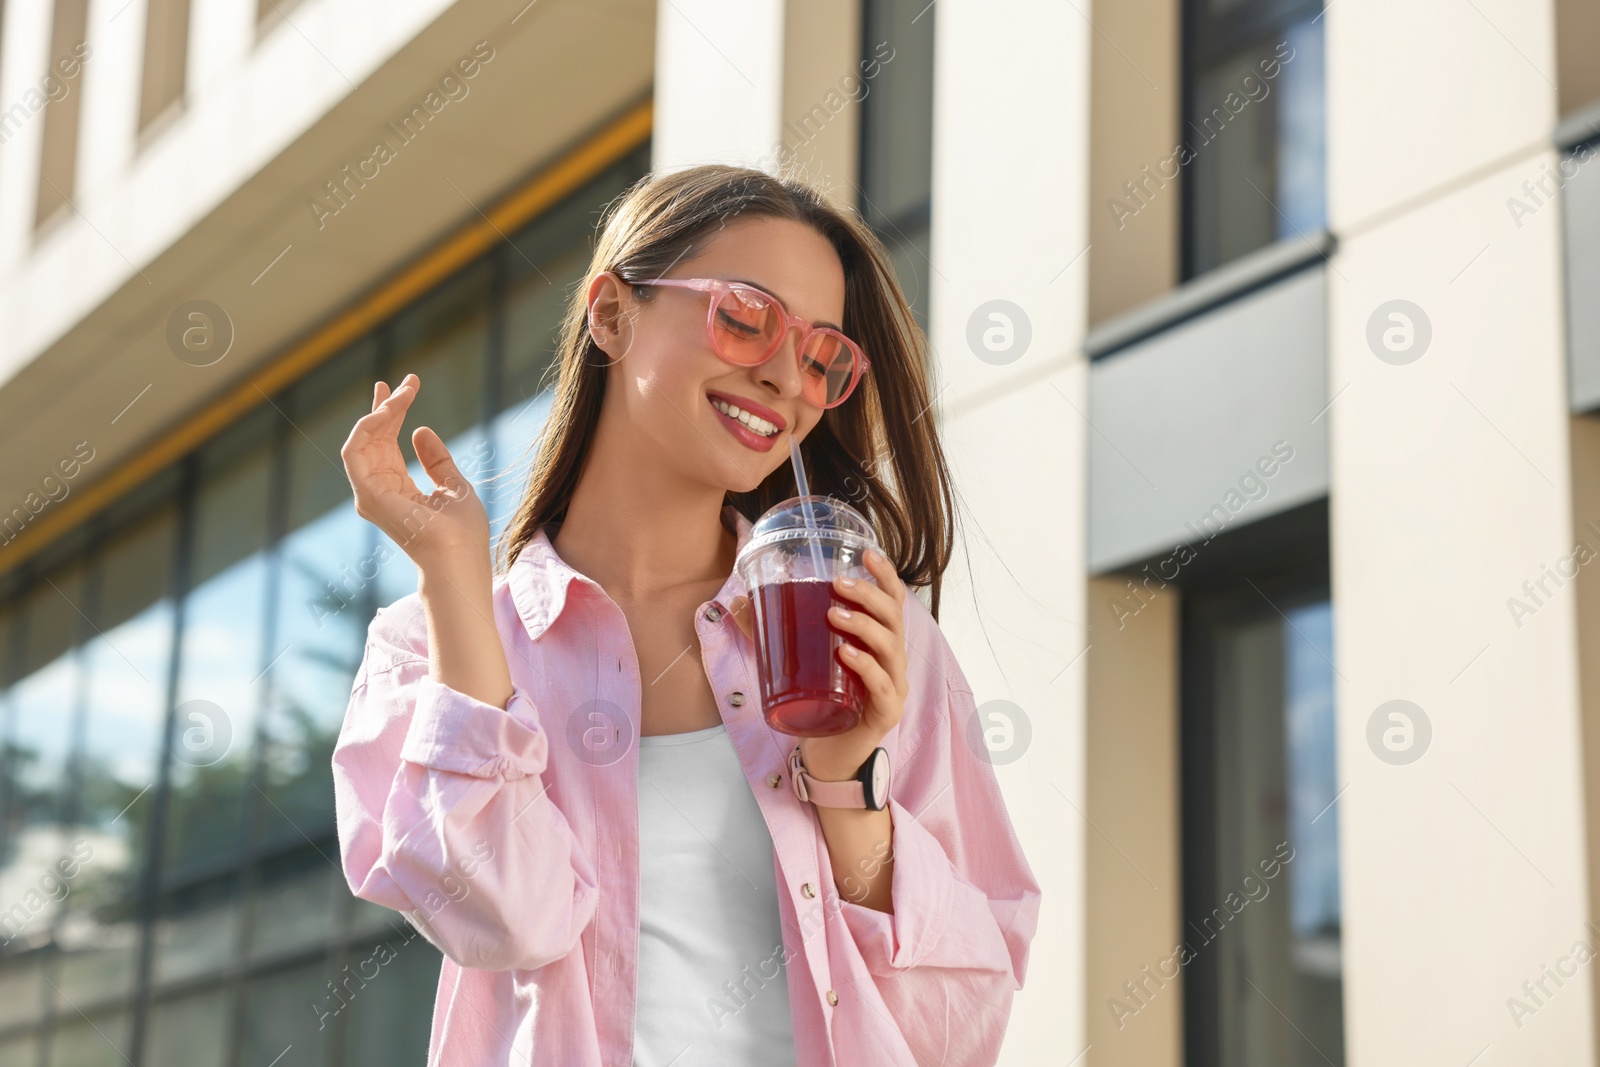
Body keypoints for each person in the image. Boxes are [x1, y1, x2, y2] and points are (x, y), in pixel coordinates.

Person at [332, 164, 1041, 1066]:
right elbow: (504, 914)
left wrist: (847, 783)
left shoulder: (867, 631)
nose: (788, 376)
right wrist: (451, 574)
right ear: (612, 313)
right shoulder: (425, 648)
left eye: (822, 356)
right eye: (747, 317)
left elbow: (959, 1020)